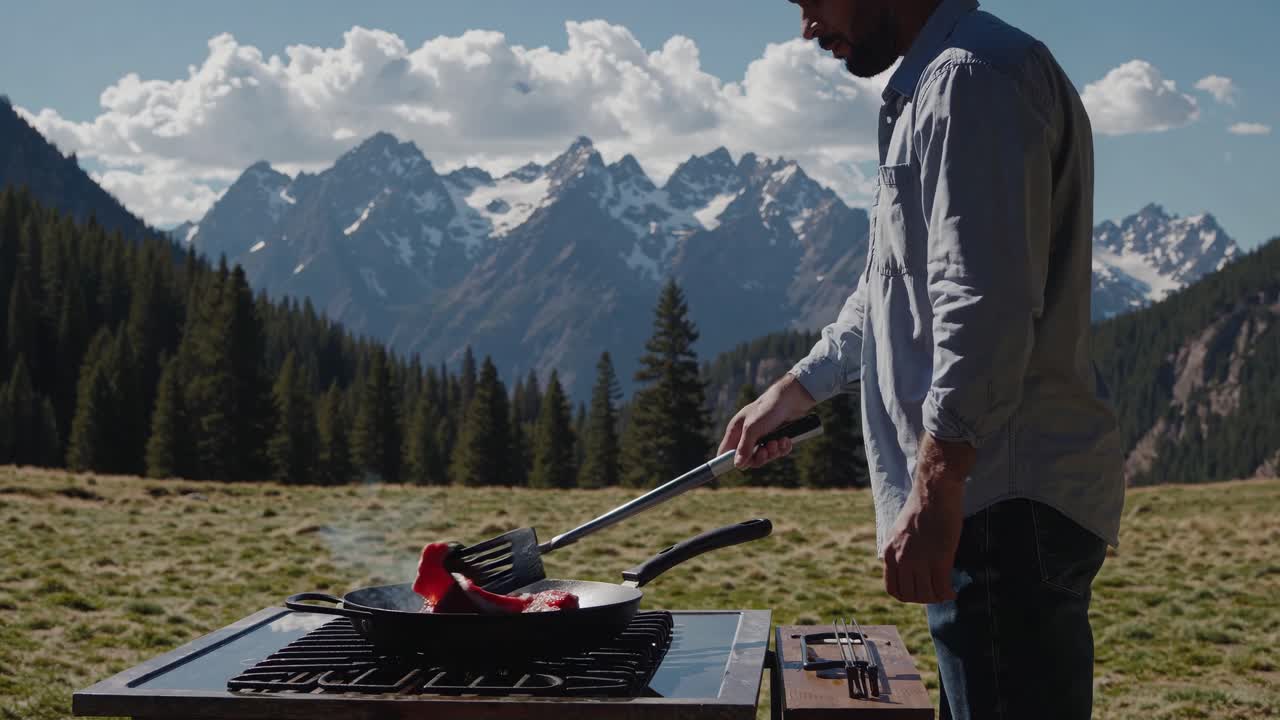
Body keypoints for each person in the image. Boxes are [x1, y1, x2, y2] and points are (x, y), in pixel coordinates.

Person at [717, 1, 1125, 718]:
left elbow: (983, 304)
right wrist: (793, 389)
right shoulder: (943, 83)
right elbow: (893, 292)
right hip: (994, 502)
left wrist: (939, 487)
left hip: (1001, 503)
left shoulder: (972, 80)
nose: (807, 26)